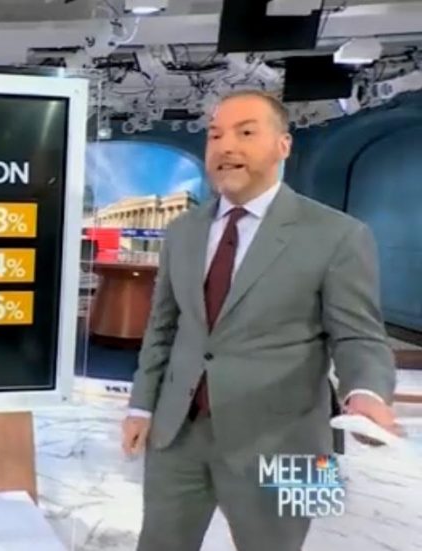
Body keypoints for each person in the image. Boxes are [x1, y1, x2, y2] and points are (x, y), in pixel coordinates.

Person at [120, 90, 401, 550]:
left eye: (246, 132)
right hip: (177, 434)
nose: (226, 146)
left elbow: (359, 335)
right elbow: (163, 328)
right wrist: (141, 407)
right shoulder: (183, 231)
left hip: (290, 442)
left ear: (283, 145)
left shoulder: (341, 235)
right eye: (215, 135)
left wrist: (367, 392)